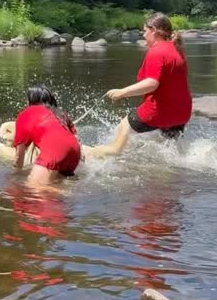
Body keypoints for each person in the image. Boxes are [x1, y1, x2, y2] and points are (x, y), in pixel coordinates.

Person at [91, 12, 192, 157]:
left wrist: (122, 92)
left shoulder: (156, 52)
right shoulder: (177, 49)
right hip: (182, 113)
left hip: (158, 112)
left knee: (122, 131)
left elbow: (152, 83)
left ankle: (94, 155)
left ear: (154, 31)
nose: (143, 35)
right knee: (173, 153)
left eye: (145, 31)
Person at [13, 85, 81, 189]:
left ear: (31, 100)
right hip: (75, 154)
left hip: (55, 153)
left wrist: (14, 175)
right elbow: (76, 137)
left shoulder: (25, 114)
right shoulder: (61, 113)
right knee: (55, 188)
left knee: (32, 190)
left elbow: (19, 155)